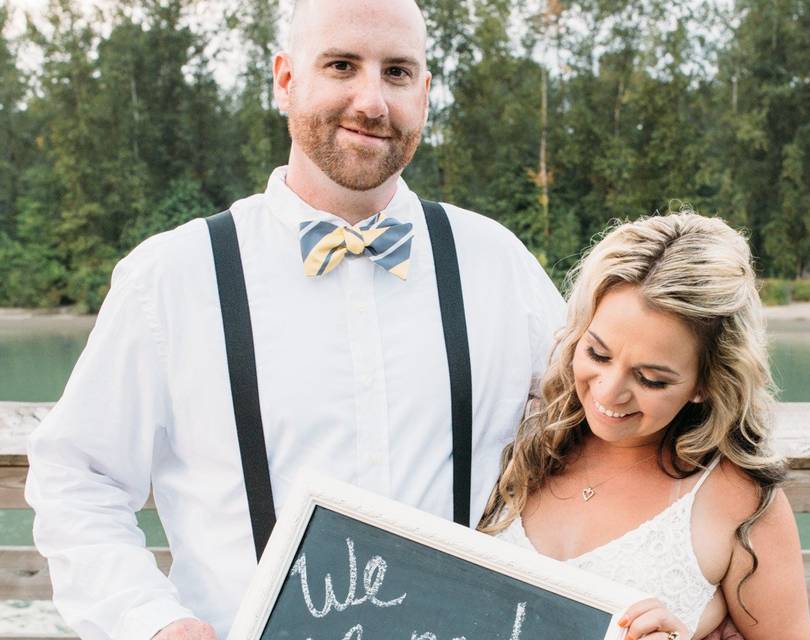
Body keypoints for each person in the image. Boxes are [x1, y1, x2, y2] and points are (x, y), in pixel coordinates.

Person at [24, 1, 564, 638]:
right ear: (285, 80)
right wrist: (154, 622)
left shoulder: (497, 264)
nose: (371, 101)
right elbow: (78, 480)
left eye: (397, 73)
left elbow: (603, 440)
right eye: (341, 65)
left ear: (424, 93)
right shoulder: (172, 277)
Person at [480, 212, 810, 640]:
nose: (609, 392)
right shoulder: (519, 440)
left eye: (650, 379)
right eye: (598, 354)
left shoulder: (740, 501)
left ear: (705, 384)